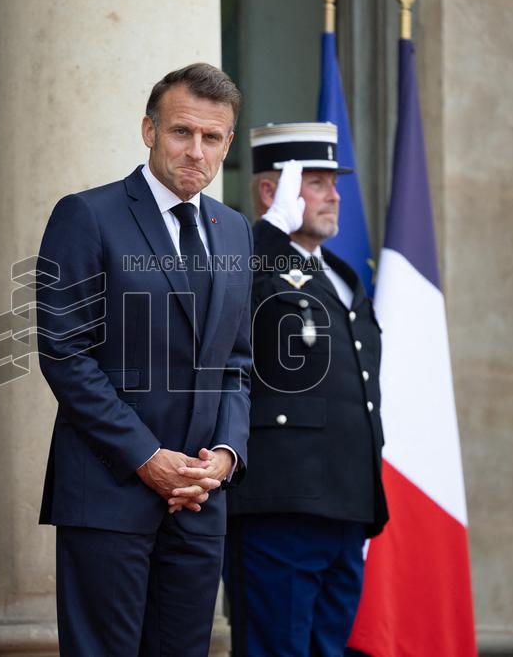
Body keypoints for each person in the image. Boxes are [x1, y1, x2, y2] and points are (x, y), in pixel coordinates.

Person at [35, 63, 253, 656]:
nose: (196, 151)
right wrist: (147, 458)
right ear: (149, 131)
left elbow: (235, 362)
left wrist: (225, 457)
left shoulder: (233, 231)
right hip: (109, 494)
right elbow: (65, 353)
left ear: (228, 144)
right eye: (182, 132)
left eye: (212, 138)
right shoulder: (87, 215)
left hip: (200, 503)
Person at [224, 122, 389, 656]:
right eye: (316, 182)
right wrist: (269, 233)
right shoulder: (252, 258)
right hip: (282, 505)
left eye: (333, 182)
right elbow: (218, 308)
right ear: (272, 193)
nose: (335, 195)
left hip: (346, 505)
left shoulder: (343, 275)